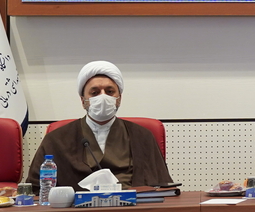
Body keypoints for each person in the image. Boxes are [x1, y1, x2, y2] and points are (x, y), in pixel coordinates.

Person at [27, 61, 173, 191]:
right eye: (95, 92)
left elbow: (162, 185)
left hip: (131, 207)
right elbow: (36, 189)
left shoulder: (142, 136)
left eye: (109, 92)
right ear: (83, 100)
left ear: (119, 99)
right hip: (75, 209)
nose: (103, 97)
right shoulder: (56, 139)